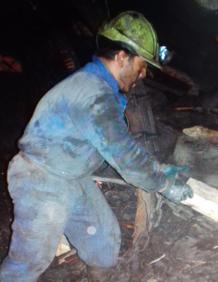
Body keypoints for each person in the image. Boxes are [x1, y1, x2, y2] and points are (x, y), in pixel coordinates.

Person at [0, 11, 193, 282]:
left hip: (71, 176)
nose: (144, 73)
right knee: (27, 265)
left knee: (103, 242)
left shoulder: (100, 87)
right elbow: (124, 156)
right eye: (142, 64)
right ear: (123, 56)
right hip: (40, 179)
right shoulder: (94, 94)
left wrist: (159, 168)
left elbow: (115, 148)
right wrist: (164, 183)